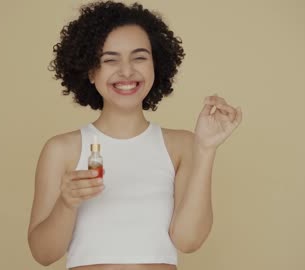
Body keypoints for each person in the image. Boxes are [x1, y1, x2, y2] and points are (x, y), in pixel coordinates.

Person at [27, 1, 242, 269]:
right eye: (110, 60)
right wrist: (66, 203)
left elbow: (189, 241)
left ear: (156, 65)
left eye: (139, 57)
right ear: (90, 72)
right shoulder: (61, 149)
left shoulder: (182, 145)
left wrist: (206, 149)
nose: (127, 71)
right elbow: (42, 253)